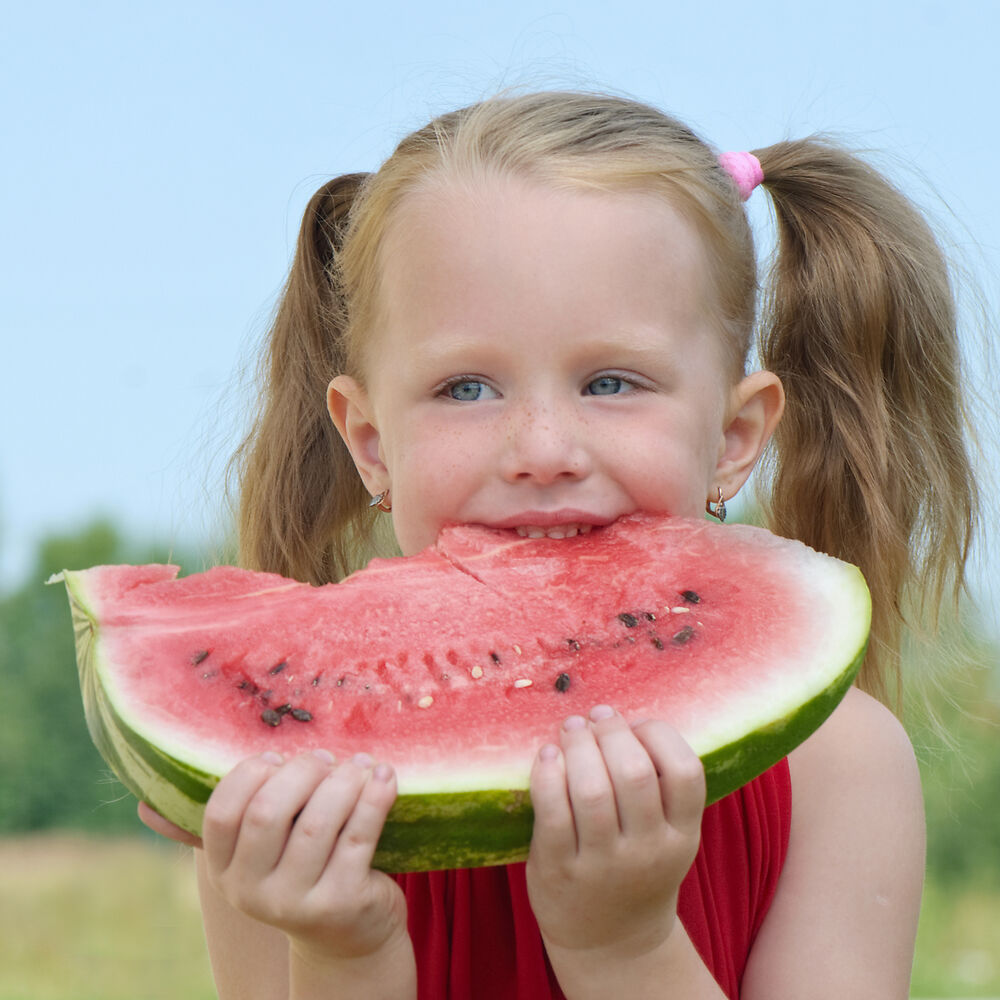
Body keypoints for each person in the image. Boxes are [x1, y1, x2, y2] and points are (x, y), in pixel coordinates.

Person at [140, 91, 979, 998]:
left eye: (612, 381)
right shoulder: (285, 780)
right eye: (466, 389)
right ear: (371, 442)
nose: (542, 451)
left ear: (734, 438)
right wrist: (344, 954)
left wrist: (624, 949)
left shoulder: (838, 764)